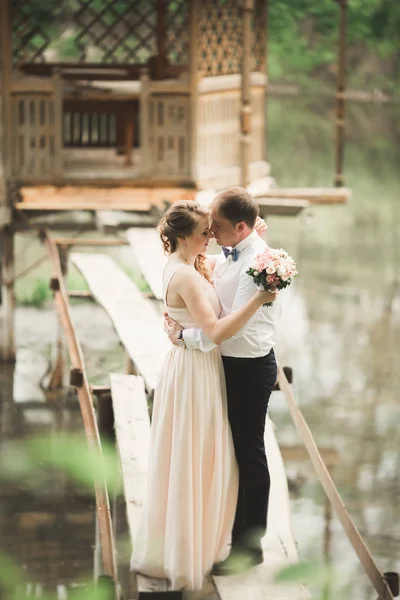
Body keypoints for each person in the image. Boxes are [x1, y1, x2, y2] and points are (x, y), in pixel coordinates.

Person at [131, 200, 276, 591]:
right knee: (199, 454)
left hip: (213, 368)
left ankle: (238, 541)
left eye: (215, 229)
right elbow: (214, 332)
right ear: (183, 237)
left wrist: (252, 240)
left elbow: (223, 267)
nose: (211, 236)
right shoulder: (188, 275)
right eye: (204, 232)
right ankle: (192, 544)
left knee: (223, 453)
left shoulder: (198, 264)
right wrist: (259, 300)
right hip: (198, 372)